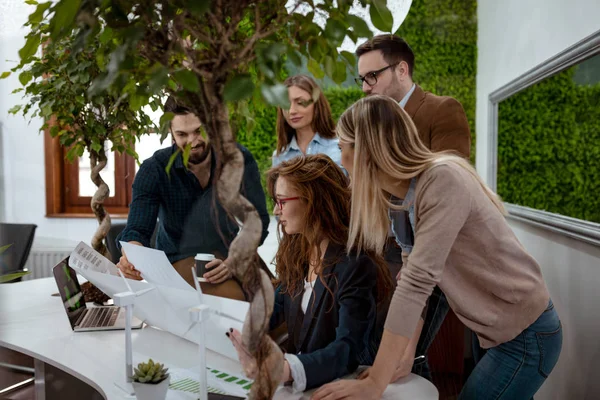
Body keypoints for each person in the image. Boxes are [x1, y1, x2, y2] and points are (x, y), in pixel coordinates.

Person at [312, 95, 562, 400]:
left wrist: (375, 381)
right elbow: (416, 280)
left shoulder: (442, 181)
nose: (341, 159)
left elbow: (417, 283)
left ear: (366, 150)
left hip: (525, 333)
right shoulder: (400, 197)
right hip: (492, 328)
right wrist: (406, 355)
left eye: (342, 148)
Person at [355, 33, 472, 380]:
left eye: (372, 76)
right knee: (378, 351)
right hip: (382, 254)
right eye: (361, 79)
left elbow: (451, 191)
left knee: (408, 357)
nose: (365, 87)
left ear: (402, 69)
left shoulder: (441, 109)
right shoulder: (374, 120)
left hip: (429, 257)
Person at [226, 155, 395, 392]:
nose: (276, 210)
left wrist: (285, 370)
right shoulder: (298, 253)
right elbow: (274, 306)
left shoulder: (356, 265)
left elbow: (347, 349)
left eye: (282, 201)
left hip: (340, 389)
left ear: (313, 201)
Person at [116, 96, 271, 299]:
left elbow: (258, 219)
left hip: (231, 253)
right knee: (236, 302)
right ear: (170, 133)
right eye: (182, 134)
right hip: (180, 257)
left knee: (284, 302)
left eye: (199, 131)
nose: (193, 141)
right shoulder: (154, 169)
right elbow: (136, 230)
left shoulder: (238, 159)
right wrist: (131, 257)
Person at [271, 75, 342, 168]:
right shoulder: (279, 157)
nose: (292, 111)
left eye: (300, 102)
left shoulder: (340, 148)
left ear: (316, 104)